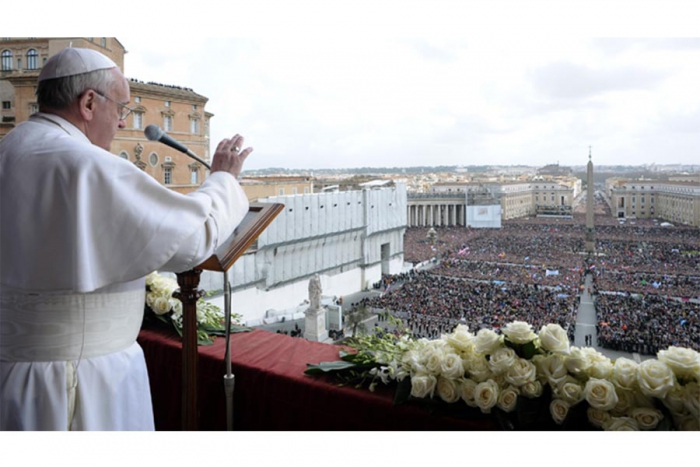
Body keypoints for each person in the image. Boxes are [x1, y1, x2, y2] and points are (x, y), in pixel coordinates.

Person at [0, 48, 252, 430]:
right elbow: (191, 238)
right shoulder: (84, 163)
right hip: (80, 381)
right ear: (88, 102)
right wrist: (223, 180)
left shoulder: (11, 149)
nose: (121, 123)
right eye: (121, 110)